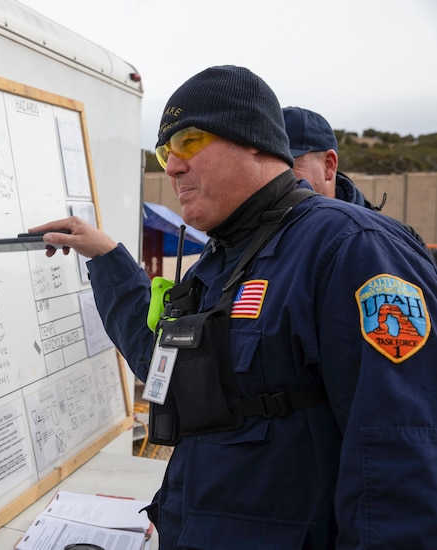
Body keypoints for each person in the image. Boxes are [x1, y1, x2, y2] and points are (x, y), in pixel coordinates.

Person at [30, 65, 437, 548]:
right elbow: (168, 377)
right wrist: (109, 261)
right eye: (165, 152)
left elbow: (397, 451)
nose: (173, 166)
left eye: (189, 141)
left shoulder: (351, 248)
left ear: (256, 142)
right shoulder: (219, 261)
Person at [283, 105, 437, 263]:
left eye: (288, 164)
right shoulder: (263, 234)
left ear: (329, 165)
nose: (277, 177)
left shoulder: (393, 242)